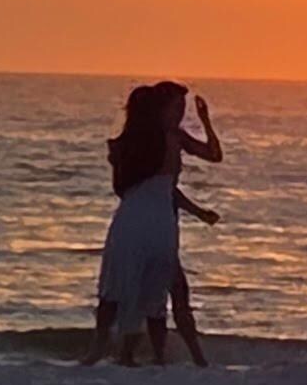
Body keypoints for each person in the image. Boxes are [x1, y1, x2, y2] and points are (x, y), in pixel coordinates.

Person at [92, 82, 221, 367]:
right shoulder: (158, 140)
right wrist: (205, 121)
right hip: (153, 222)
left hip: (137, 220)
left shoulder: (136, 141)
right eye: (176, 108)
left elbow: (141, 189)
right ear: (160, 109)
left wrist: (205, 120)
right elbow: (209, 158)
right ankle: (141, 355)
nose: (180, 114)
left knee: (133, 285)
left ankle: (119, 352)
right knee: (153, 286)